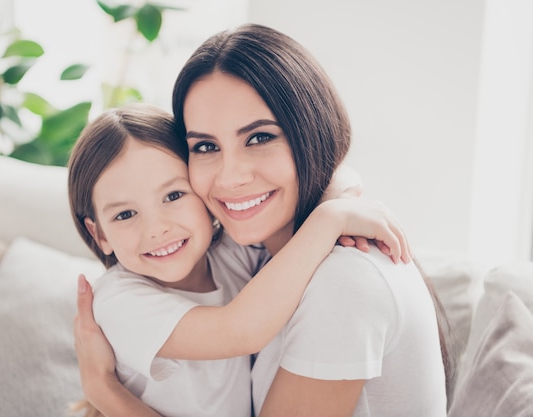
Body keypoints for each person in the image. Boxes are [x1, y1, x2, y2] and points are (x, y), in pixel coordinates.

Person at [75, 23, 449, 416]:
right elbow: (241, 327)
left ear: (311, 131)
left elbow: (243, 326)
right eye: (205, 146)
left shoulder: (340, 279)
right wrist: (332, 211)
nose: (231, 177)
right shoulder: (272, 256)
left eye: (259, 137)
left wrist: (104, 389)